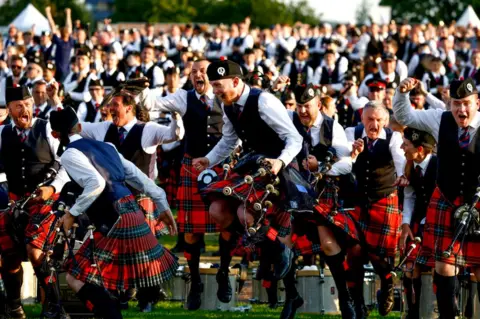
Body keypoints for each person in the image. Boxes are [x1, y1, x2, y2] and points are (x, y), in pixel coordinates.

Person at [49, 106, 179, 319]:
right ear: (79, 127)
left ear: (55, 134)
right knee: (100, 275)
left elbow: (96, 183)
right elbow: (141, 178)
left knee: (76, 278)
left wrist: (72, 213)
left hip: (114, 219)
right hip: (132, 212)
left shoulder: (69, 155)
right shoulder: (108, 146)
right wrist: (162, 205)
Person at [194, 59, 303, 306]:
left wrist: (280, 162)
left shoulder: (264, 101)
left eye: (219, 85)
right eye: (213, 86)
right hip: (252, 163)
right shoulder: (228, 104)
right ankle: (260, 250)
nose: (216, 91)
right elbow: (229, 140)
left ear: (235, 81)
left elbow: (294, 139)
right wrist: (208, 159)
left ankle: (278, 249)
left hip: (279, 167)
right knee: (218, 211)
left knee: (246, 214)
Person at [139, 59, 224, 311]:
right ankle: (195, 282)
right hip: (192, 165)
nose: (198, 75)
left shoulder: (225, 93)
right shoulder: (183, 97)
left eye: (202, 71)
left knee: (228, 225)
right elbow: (152, 103)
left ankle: (223, 274)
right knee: (190, 231)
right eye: (193, 72)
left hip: (221, 165)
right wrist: (143, 88)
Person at [393, 77, 480, 318]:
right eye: (456, 104)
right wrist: (401, 93)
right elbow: (404, 117)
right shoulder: (438, 119)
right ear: (449, 104)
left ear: (477, 103)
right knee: (443, 265)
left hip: (477, 200)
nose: (461, 110)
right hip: (447, 198)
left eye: (466, 103)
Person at [0, 86, 69, 319]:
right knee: (7, 253)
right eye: (18, 105)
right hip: (15, 200)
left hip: (46, 198)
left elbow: (65, 161)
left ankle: (54, 305)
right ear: (9, 110)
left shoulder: (47, 127)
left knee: (35, 249)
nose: (24, 109)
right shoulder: (2, 133)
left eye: (28, 104)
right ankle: (13, 305)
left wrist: (52, 187)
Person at [346, 100, 406, 317]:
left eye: (379, 120)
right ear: (362, 117)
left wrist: (401, 176)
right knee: (354, 252)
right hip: (358, 200)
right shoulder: (350, 132)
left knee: (376, 255)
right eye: (370, 119)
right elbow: (342, 160)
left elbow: (400, 160)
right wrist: (351, 154)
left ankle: (388, 283)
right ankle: (358, 305)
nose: (374, 124)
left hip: (384, 198)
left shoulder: (393, 137)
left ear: (386, 120)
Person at [400, 127, 437, 319]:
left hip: (437, 222)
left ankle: (438, 311)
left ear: (420, 149)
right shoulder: (412, 166)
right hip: (417, 222)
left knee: (439, 267)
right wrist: (406, 223)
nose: (401, 147)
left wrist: (426, 224)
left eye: (406, 145)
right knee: (410, 266)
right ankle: (413, 313)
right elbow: (409, 196)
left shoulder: (439, 166)